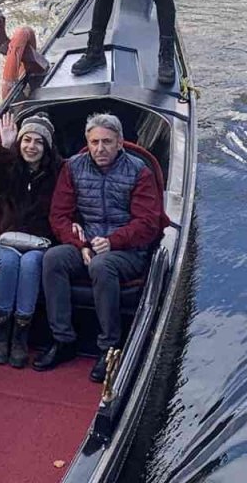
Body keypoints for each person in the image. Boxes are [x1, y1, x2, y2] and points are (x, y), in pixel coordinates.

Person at [34, 113, 163, 382]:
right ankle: (63, 339)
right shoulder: (74, 167)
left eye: (106, 142)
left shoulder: (140, 171)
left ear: (120, 143)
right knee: (53, 258)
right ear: (87, 142)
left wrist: (113, 241)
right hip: (86, 244)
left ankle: (109, 348)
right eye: (94, 142)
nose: (99, 149)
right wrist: (78, 243)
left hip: (128, 251)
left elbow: (149, 223)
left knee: (102, 266)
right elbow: (59, 215)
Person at [0, 111, 61, 368]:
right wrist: (4, 147)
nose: (31, 146)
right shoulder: (9, 166)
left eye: (38, 141)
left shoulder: (58, 173)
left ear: (46, 146)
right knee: (11, 261)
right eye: (26, 140)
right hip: (3, 243)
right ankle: (1, 335)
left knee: (31, 262)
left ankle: (20, 338)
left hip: (39, 245)